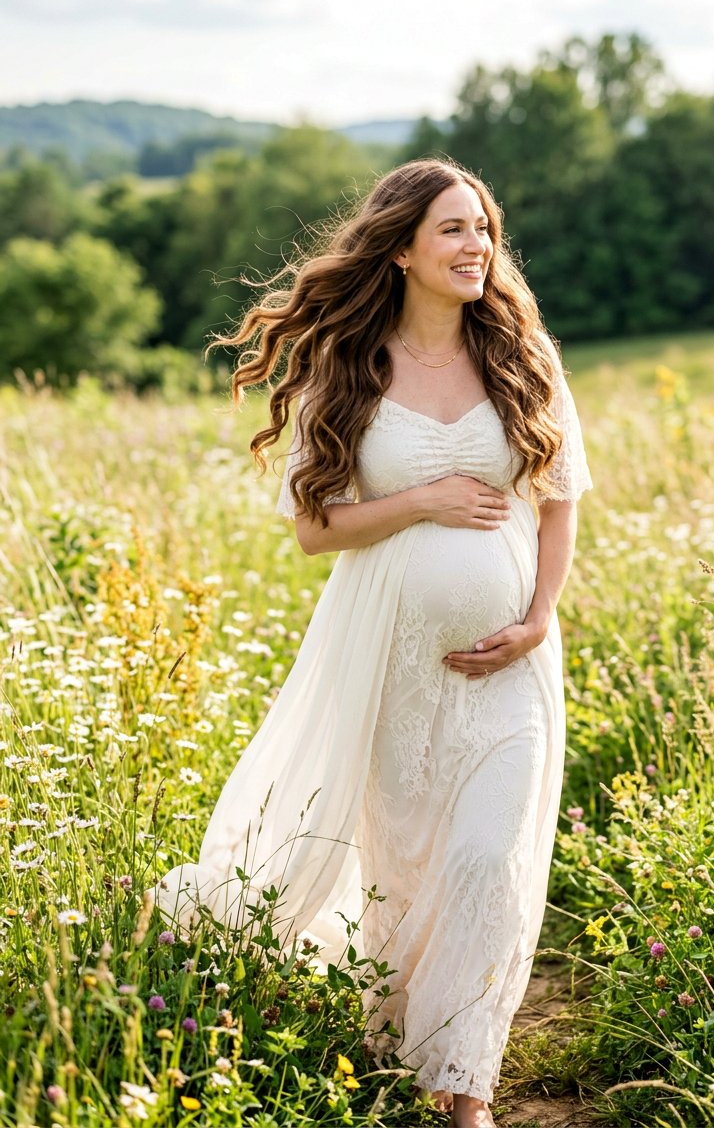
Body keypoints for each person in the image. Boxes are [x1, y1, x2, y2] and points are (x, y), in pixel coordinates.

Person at [152, 158, 592, 1128]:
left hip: (513, 661)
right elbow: (315, 529)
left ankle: (462, 1083)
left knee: (485, 855)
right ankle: (399, 1031)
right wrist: (420, 502)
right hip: (390, 657)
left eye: (482, 227)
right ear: (400, 248)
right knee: (400, 859)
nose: (476, 245)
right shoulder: (348, 366)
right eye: (452, 229)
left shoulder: (521, 351)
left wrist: (538, 615)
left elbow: (558, 499)